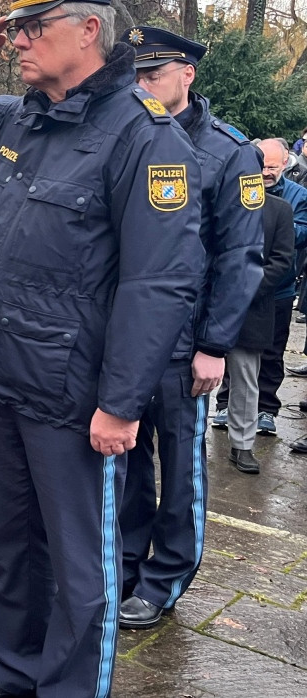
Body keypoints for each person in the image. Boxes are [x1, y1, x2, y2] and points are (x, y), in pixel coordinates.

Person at [0, 0, 206, 695]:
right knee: (13, 549)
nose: (16, 41)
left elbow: (157, 283)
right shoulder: (27, 116)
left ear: (88, 30)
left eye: (32, 28)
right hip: (5, 375)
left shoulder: (144, 138)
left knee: (82, 566)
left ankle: (70, 687)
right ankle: (16, 670)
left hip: (75, 395)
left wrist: (120, 403)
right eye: (15, 29)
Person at [114, 27, 265, 631]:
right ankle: (124, 562)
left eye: (153, 75)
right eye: (136, 76)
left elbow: (240, 256)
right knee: (123, 459)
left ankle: (167, 574)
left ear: (188, 75)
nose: (142, 86)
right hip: (128, 335)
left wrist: (214, 345)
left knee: (180, 467)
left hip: (186, 345)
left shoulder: (231, 152)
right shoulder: (127, 135)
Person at [213, 137, 307, 435]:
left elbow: (299, 236)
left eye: (272, 167)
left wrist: (277, 225)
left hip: (275, 291)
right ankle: (226, 404)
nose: (266, 172)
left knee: (270, 353)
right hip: (234, 291)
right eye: (261, 166)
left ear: (284, 164)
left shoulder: (295, 197)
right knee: (228, 347)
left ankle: (266, 408)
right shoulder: (234, 194)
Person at [225, 193, 295, 474]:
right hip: (203, 304)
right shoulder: (217, 197)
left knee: (245, 379)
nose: (264, 172)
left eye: (271, 167)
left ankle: (241, 445)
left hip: (251, 308)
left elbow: (282, 259)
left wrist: (244, 290)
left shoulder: (279, 209)